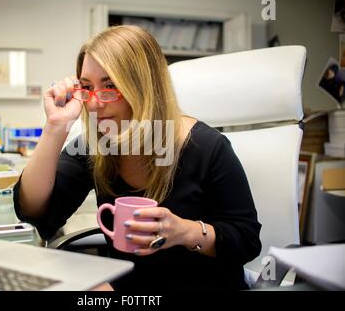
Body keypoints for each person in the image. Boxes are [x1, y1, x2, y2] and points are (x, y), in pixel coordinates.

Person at [13, 25, 261, 291]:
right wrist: (55, 126)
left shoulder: (207, 147)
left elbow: (246, 240)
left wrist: (184, 232)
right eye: (87, 87)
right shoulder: (97, 146)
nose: (95, 103)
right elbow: (34, 209)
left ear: (143, 87)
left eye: (110, 85)